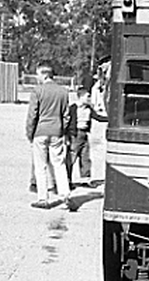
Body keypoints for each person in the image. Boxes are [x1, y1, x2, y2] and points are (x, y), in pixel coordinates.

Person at [25, 65, 76, 211]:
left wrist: (30, 133)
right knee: (59, 164)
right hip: (57, 131)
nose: (37, 78)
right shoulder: (63, 92)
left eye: (38, 75)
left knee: (40, 166)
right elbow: (66, 115)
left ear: (44, 75)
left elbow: (32, 115)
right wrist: (63, 129)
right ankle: (65, 195)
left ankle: (43, 198)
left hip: (40, 131)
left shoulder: (37, 91)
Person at [67, 86, 108, 187]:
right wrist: (68, 135)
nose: (89, 99)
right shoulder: (73, 108)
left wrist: (109, 119)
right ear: (80, 97)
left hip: (84, 134)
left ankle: (85, 179)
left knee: (85, 157)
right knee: (72, 157)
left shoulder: (89, 109)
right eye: (87, 97)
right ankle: (67, 180)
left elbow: (98, 117)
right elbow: (67, 121)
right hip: (75, 135)